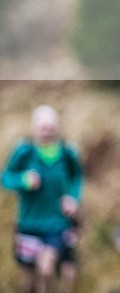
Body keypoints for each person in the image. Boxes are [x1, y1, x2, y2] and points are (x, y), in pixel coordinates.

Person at [1, 105, 83, 293]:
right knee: (29, 280)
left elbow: (77, 177)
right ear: (34, 128)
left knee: (46, 268)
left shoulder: (67, 154)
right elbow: (5, 178)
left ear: (57, 128)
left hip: (56, 223)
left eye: (50, 128)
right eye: (42, 128)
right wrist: (23, 180)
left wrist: (72, 197)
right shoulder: (24, 152)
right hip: (28, 224)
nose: (46, 133)